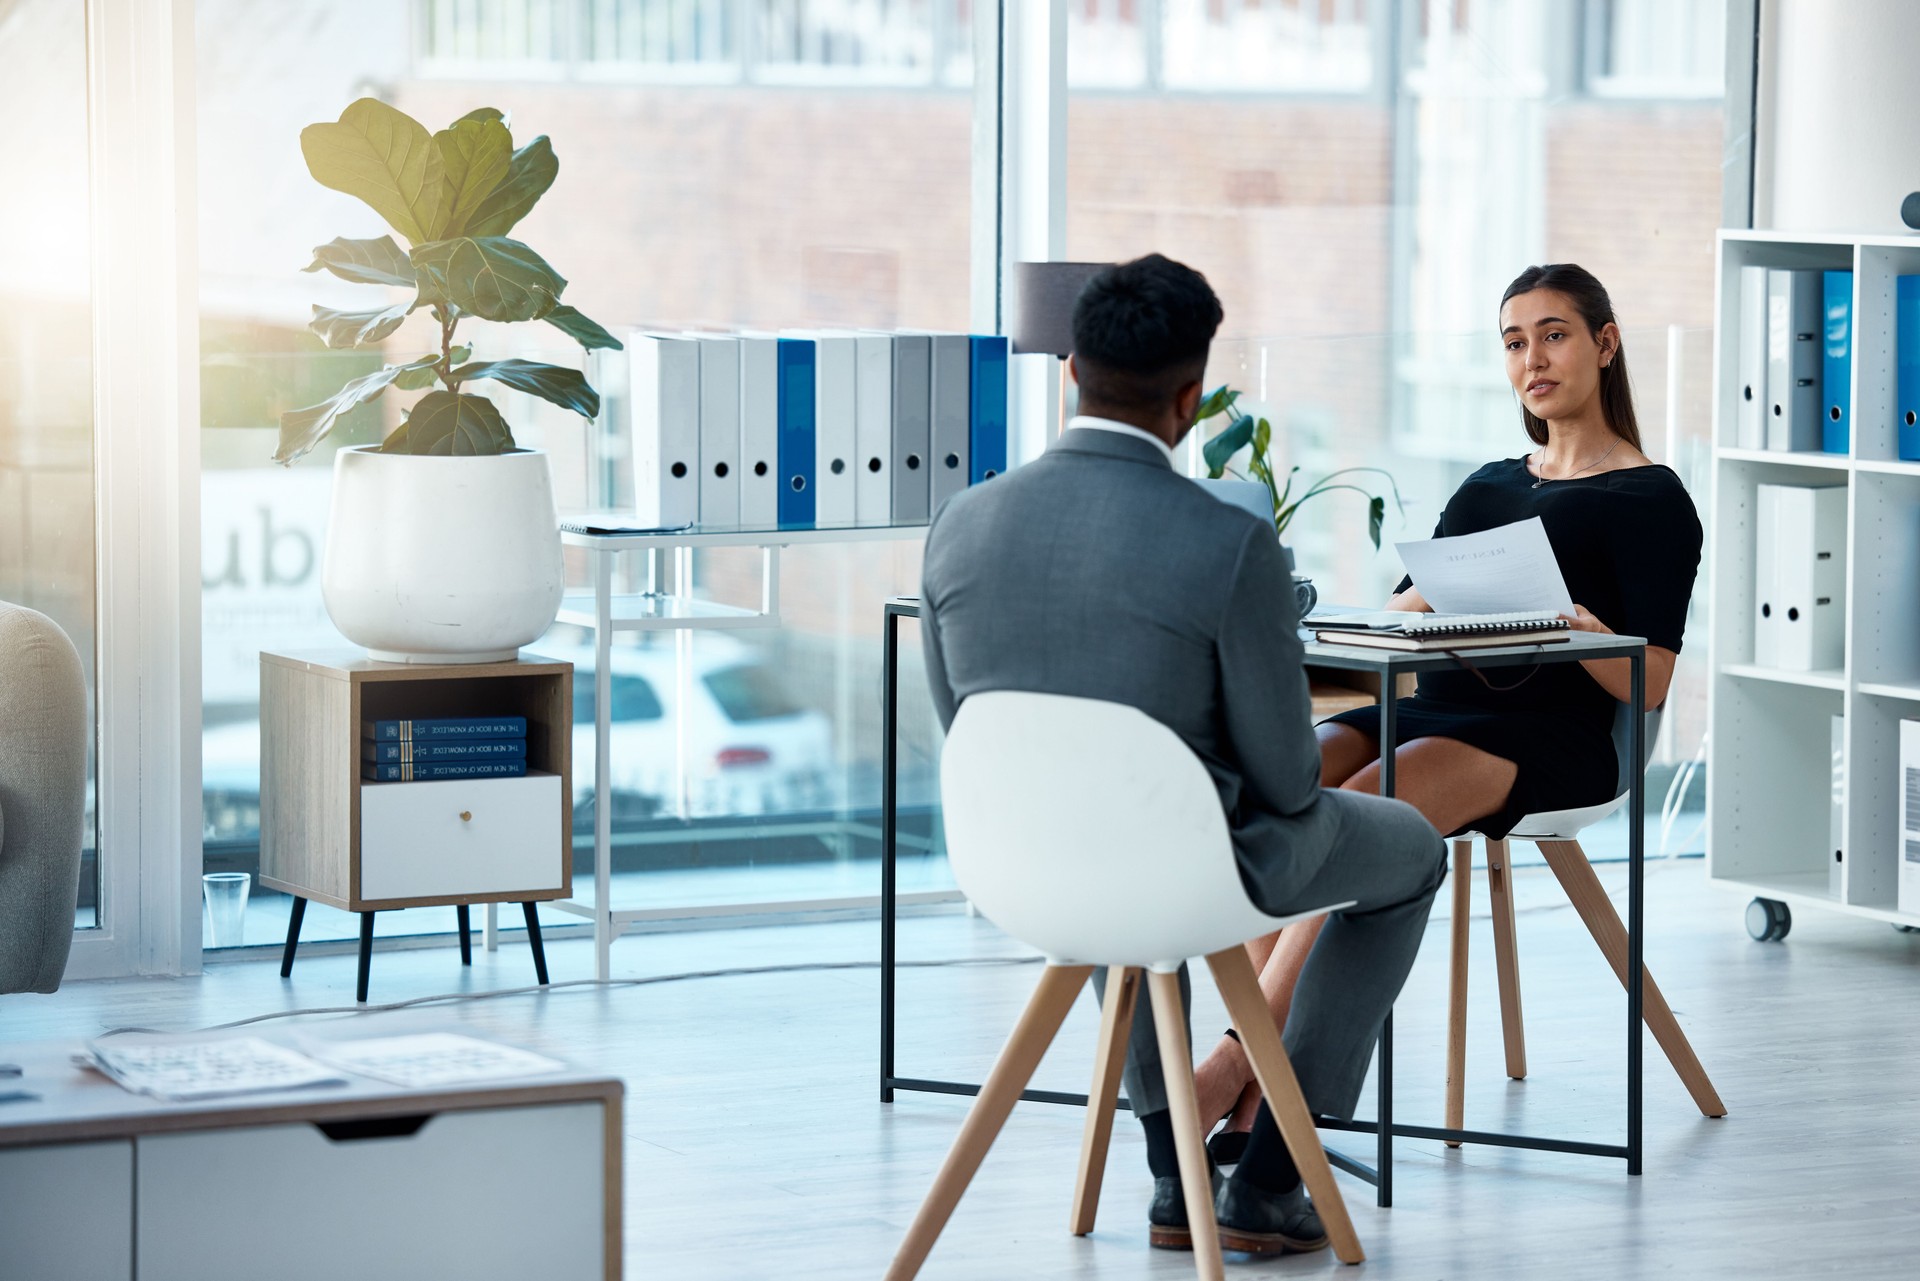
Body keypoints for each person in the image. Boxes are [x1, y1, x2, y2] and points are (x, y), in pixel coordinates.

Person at [918, 253, 1447, 1256]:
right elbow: (1291, 781)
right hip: (1193, 868)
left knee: (1121, 888)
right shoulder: (1227, 544)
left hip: (1021, 869)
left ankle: (1174, 1171)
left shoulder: (961, 521)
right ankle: (1273, 1177)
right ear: (1193, 396)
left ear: (1072, 369)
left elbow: (966, 728)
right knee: (1412, 850)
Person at [1190, 262, 1704, 1161]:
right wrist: (1423, 599)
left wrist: (1585, 632)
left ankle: (1239, 1067)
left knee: (1375, 799)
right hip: (1436, 703)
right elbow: (1397, 615)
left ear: (1605, 344)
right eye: (1514, 342)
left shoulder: (1653, 499)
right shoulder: (1491, 485)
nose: (1532, 359)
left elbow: (1653, 681)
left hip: (1550, 736)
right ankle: (1270, 1099)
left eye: (1553, 334)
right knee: (1283, 780)